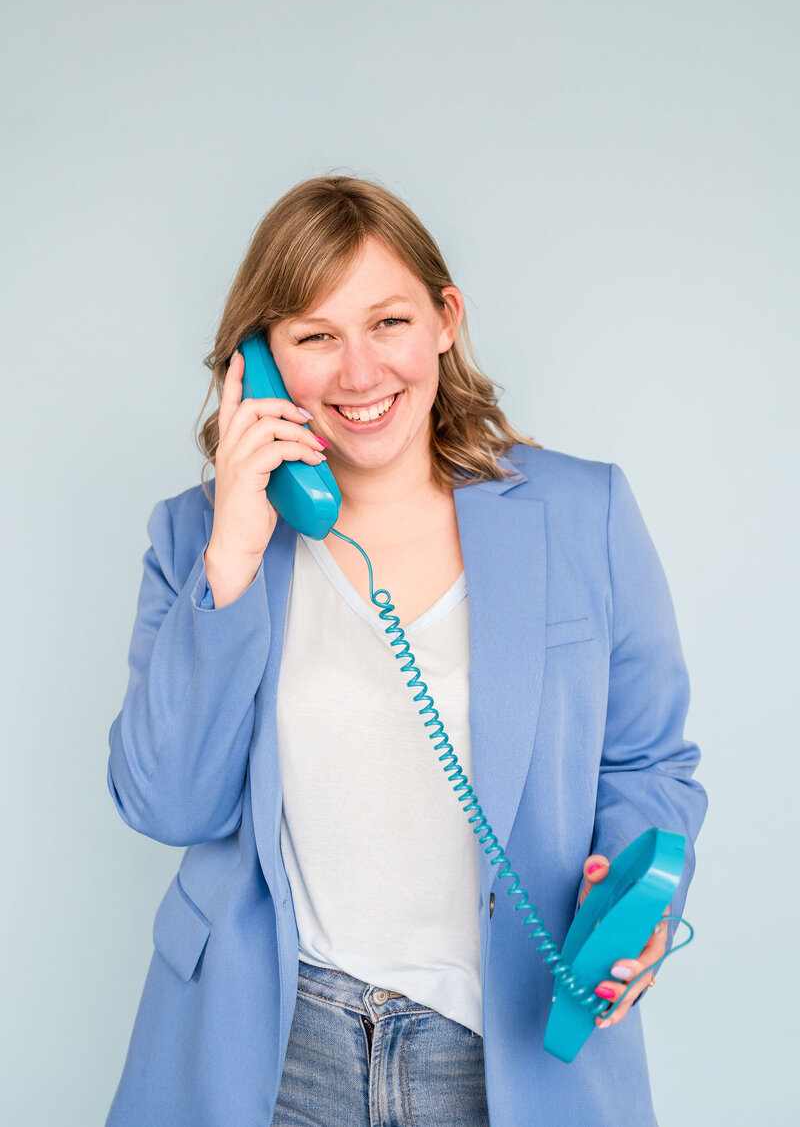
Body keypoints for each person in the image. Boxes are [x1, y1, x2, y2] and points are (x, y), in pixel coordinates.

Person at [105, 175, 708, 1127]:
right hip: (271, 1042)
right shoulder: (202, 539)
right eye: (313, 337)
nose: (357, 373)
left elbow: (647, 760)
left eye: (387, 322)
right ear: (256, 365)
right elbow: (167, 800)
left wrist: (631, 900)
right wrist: (233, 555)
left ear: (444, 319)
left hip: (497, 1048)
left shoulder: (582, 512)